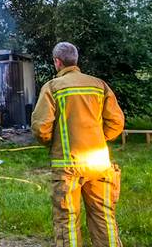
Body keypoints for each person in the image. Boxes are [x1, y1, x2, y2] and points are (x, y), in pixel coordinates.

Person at [31, 42, 125, 247]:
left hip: (67, 165)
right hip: (99, 163)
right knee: (104, 217)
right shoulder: (99, 85)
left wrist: (52, 142)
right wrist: (99, 137)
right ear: (76, 60)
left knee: (67, 220)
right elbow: (117, 122)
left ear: (57, 62)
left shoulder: (52, 87)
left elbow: (41, 127)